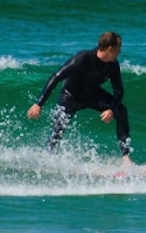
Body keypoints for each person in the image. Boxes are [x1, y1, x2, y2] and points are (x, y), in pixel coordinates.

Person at [27, 31, 132, 162]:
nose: (120, 51)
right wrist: (39, 104)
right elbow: (56, 77)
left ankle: (126, 157)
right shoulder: (83, 58)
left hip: (93, 95)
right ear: (110, 49)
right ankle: (49, 158)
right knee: (58, 129)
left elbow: (119, 91)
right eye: (118, 48)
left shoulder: (113, 65)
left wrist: (111, 108)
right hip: (70, 97)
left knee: (121, 111)